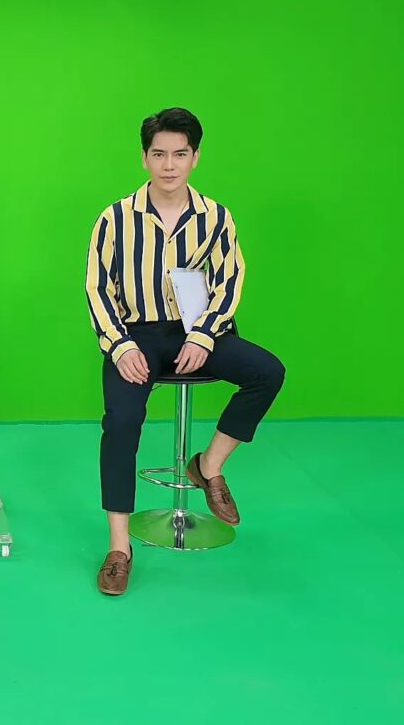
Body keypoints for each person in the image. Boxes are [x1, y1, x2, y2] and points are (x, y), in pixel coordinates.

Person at [85, 107, 285, 596]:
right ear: (144, 158)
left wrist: (204, 335)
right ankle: (119, 548)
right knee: (122, 420)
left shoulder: (216, 217)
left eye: (179, 154)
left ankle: (209, 466)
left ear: (195, 157)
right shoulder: (115, 218)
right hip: (137, 335)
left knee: (268, 371)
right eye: (159, 154)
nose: (169, 165)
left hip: (198, 331)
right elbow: (97, 288)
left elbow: (229, 280)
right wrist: (119, 345)